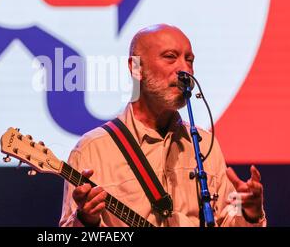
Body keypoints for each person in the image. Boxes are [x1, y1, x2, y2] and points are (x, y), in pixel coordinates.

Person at [59, 24, 266, 227]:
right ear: (136, 67)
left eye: (189, 60)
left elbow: (228, 217)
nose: (185, 69)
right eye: (170, 57)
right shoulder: (92, 150)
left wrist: (249, 213)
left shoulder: (204, 144)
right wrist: (86, 220)